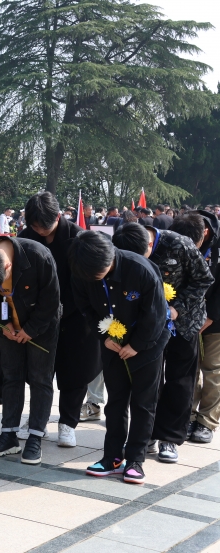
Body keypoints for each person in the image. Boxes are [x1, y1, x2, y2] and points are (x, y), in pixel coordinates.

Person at [69, 230, 168, 485]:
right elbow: (86, 308)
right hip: (111, 343)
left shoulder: (140, 269)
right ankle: (112, 457)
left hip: (147, 344)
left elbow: (156, 314)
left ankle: (135, 460)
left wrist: (137, 345)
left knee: (143, 403)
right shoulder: (82, 272)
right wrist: (104, 337)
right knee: (116, 400)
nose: (95, 278)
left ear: (109, 257)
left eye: (99, 273)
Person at [112, 221, 213, 463]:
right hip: (148, 324)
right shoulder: (124, 245)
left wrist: (178, 307)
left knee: (180, 380)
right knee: (149, 380)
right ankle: (146, 434)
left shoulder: (180, 244)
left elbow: (203, 280)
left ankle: (170, 437)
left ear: (149, 244)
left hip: (182, 322)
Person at [18, 192, 102, 448]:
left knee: (74, 372)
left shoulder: (79, 238)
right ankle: (38, 420)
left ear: (58, 216)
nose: (39, 231)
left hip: (75, 315)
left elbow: (88, 283)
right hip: (39, 316)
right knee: (38, 372)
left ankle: (68, 422)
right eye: (35, 226)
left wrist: (67, 309)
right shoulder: (25, 237)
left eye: (44, 226)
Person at [0, 235, 61, 464]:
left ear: (8, 266)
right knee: (11, 376)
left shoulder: (38, 255)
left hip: (41, 326)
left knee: (40, 379)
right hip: (8, 326)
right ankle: (8, 434)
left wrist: (30, 329)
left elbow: (51, 300)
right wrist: (3, 324)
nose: (1, 289)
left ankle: (35, 436)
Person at [191, 210, 220, 444]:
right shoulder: (184, 243)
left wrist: (211, 315)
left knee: (212, 371)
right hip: (189, 319)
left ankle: (207, 421)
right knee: (189, 370)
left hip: (215, 320)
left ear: (206, 232)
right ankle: (188, 414)